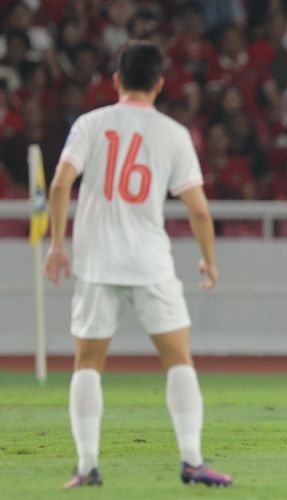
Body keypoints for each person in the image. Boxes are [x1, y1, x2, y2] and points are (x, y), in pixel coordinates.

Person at [44, 41, 232, 488]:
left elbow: (59, 185)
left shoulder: (90, 124)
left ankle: (88, 466)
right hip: (150, 261)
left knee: (87, 363)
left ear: (115, 80)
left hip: (96, 261)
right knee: (178, 360)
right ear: (160, 84)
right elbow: (200, 211)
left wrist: (56, 245)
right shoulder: (173, 133)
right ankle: (191, 460)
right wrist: (208, 259)